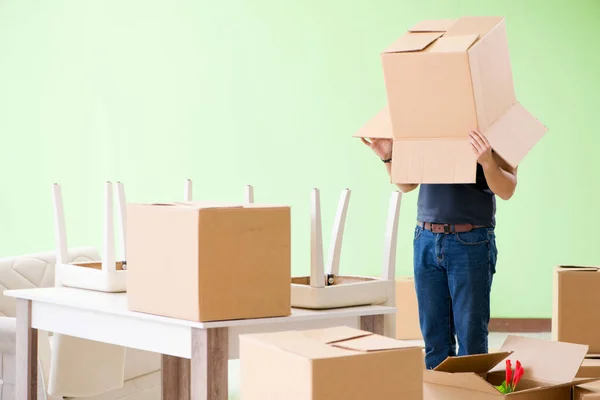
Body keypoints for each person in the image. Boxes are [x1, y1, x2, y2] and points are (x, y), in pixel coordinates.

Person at [361, 130, 517, 369]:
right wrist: (388, 157)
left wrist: (487, 161)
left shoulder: (495, 125)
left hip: (470, 241)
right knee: (434, 339)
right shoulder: (429, 125)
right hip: (425, 238)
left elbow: (507, 190)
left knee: (471, 340)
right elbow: (407, 184)